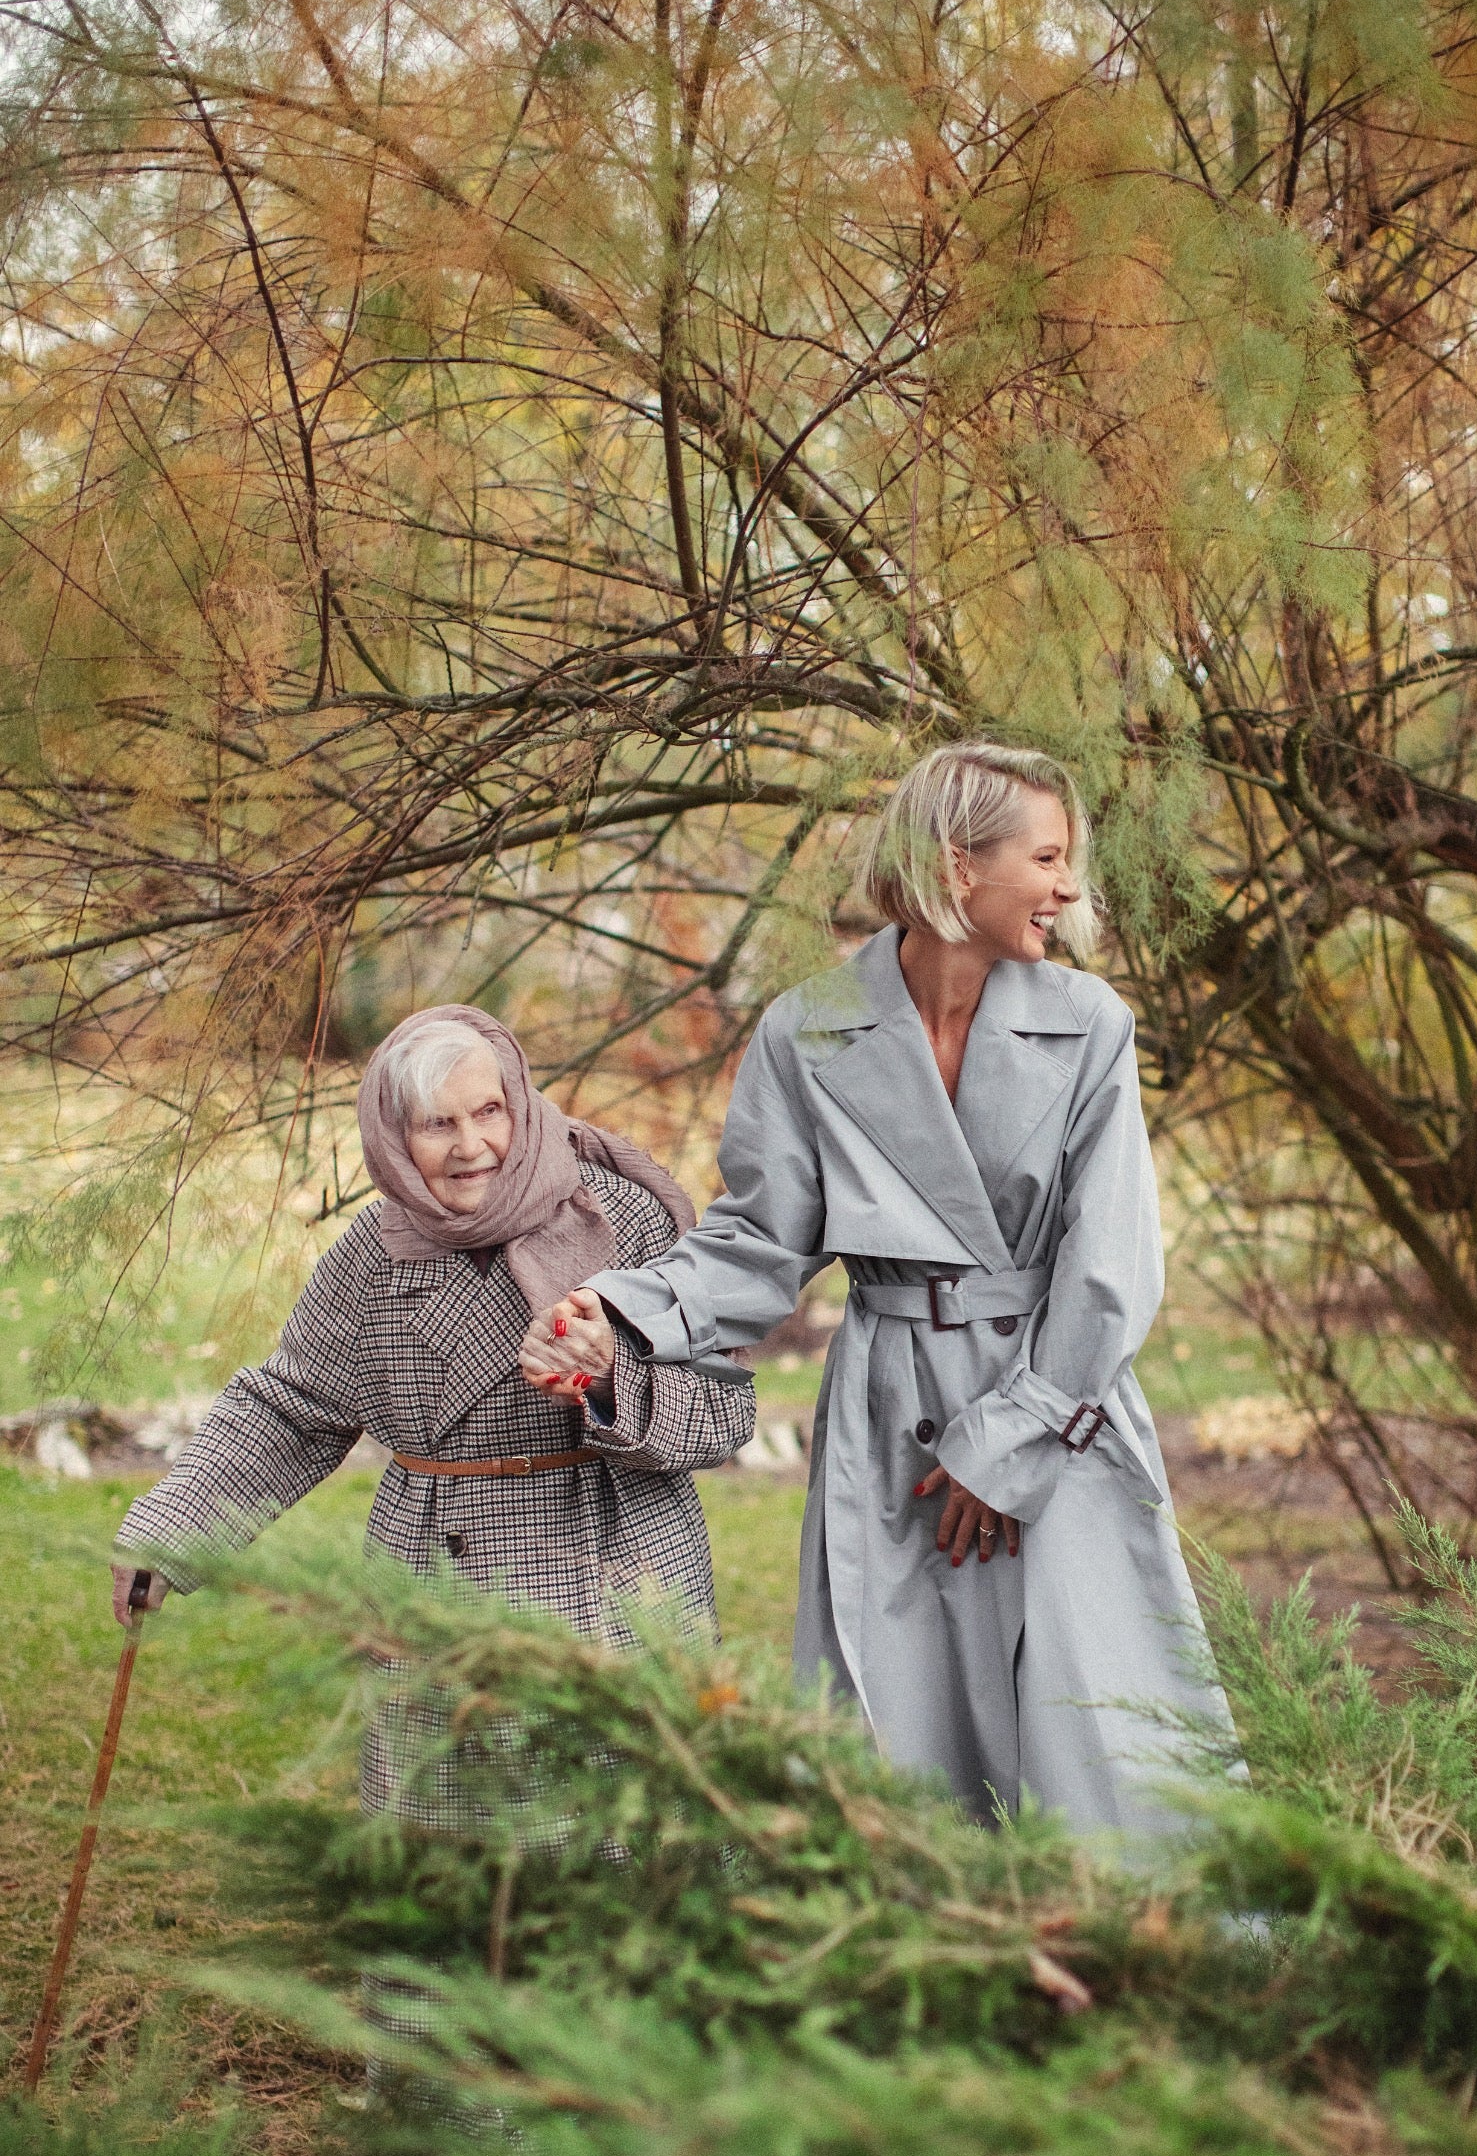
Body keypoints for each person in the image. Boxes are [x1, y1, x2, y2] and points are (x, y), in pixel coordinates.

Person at [523, 745, 1237, 1844]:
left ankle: (1139, 1975)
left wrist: (1007, 1445)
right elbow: (762, 1241)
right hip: (892, 1419)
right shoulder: (807, 1030)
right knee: (905, 1737)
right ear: (959, 866)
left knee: (1106, 1731)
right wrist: (619, 1311)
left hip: (1056, 1407)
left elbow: (1110, 1270)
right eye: (1046, 859)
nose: (1068, 888)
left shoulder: (1091, 1025)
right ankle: (926, 1971)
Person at [113, 1006, 755, 1828]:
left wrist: (610, 1376)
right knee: (452, 1856)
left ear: (519, 1105)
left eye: (489, 1111)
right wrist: (174, 1528)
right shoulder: (370, 1260)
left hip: (620, 1572)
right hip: (441, 1578)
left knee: (623, 1847)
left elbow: (726, 1410)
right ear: (393, 1137)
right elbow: (289, 1410)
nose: (471, 1145)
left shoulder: (623, 1219)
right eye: (436, 1124)